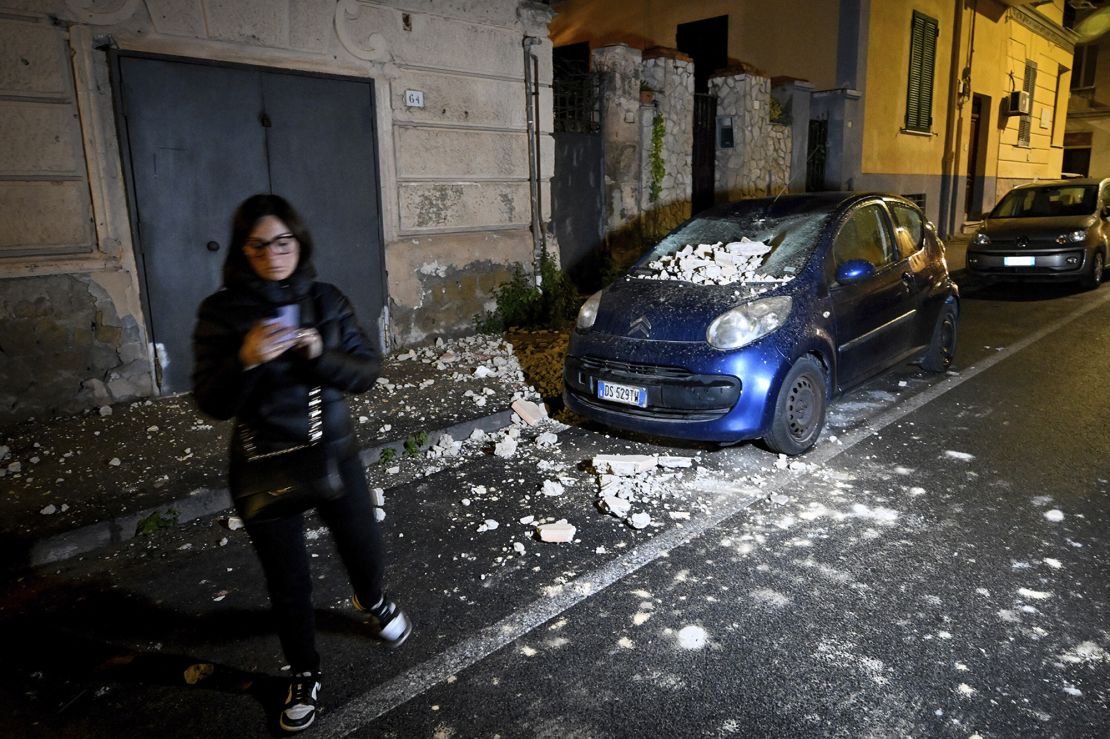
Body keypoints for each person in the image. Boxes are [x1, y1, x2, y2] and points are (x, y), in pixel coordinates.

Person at [192, 193, 410, 733]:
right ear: (244, 250)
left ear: (299, 241)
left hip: (333, 450)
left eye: (283, 242)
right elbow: (211, 402)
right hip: (263, 460)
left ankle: (373, 599)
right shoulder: (221, 312)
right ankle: (304, 673)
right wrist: (245, 357)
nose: (273, 255)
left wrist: (320, 352)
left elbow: (366, 372)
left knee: (363, 548)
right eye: (259, 245)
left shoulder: (326, 299)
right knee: (288, 581)